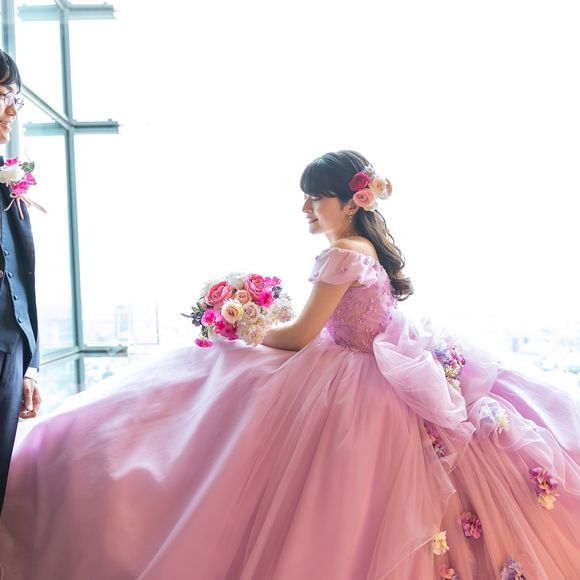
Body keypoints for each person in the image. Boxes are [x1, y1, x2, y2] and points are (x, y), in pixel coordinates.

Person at [0, 150, 579, 579]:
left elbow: (302, 336)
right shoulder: (366, 250)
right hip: (371, 363)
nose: (306, 208)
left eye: (315, 197)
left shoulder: (340, 253)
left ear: (352, 201)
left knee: (231, 412)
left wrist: (239, 330)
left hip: (350, 376)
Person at [0, 49, 41, 518]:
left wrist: (30, 365)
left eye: (16, 97)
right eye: (4, 94)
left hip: (10, 357)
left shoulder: (9, 181)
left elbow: (23, 278)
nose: (12, 109)